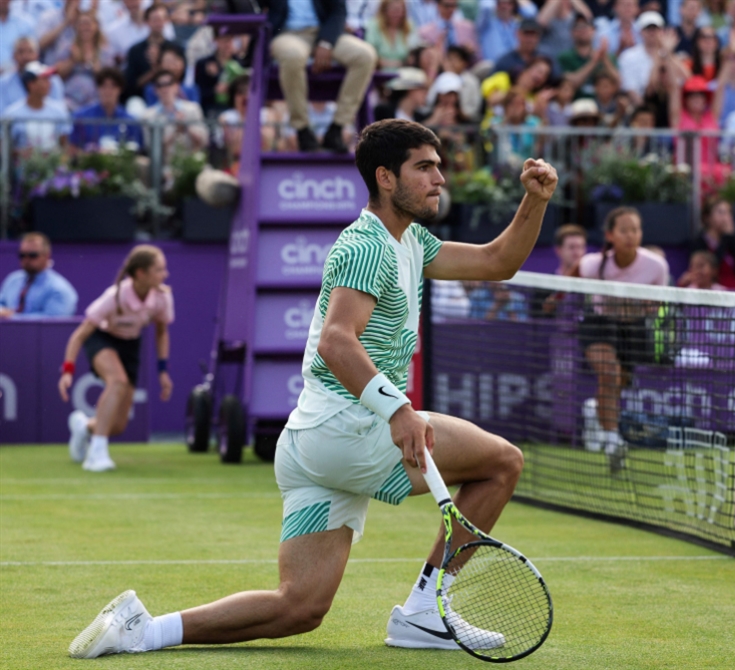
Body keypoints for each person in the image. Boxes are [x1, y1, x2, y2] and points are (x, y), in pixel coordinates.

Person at [67, 118, 559, 659]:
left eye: (438, 166)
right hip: (352, 429)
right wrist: (397, 410)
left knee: (298, 607)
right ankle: (424, 610)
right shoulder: (367, 245)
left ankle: (144, 630)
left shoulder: (412, 240)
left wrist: (534, 201)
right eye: (424, 167)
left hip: (309, 445)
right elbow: (336, 341)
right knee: (503, 462)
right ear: (386, 178)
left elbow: (498, 261)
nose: (439, 178)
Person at [58, 245, 174, 473]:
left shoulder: (162, 297)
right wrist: (68, 371)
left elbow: (161, 332)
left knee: (118, 425)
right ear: (141, 273)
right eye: (159, 270)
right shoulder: (115, 296)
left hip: (130, 345)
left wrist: (163, 371)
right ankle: (96, 455)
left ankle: (84, 427)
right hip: (102, 339)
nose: (165, 274)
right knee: (117, 380)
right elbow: (79, 335)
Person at [574, 206, 669, 473]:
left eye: (635, 230)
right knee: (610, 374)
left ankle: (598, 414)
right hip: (600, 324)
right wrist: (553, 298)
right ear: (611, 235)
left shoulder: (656, 266)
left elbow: (660, 303)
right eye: (624, 230)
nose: (631, 235)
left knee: (618, 384)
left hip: (634, 329)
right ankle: (613, 442)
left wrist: (652, 305)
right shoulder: (593, 264)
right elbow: (573, 273)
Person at [268, 0, 378, 153]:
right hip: (287, 34)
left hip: (326, 32)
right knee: (293, 56)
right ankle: (302, 130)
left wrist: (326, 42)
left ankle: (337, 128)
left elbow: (338, 11)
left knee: (365, 56)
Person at [0, 232, 78, 319]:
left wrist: (12, 317)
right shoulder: (12, 280)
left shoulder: (59, 289)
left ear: (47, 256)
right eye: (22, 255)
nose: (26, 259)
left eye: (33, 255)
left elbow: (53, 323)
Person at [50, 10, 116, 112]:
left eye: (88, 24)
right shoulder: (68, 47)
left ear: (96, 26)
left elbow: (110, 79)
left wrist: (95, 67)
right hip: (70, 99)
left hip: (96, 100)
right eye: (81, 24)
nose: (85, 27)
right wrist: (73, 61)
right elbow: (57, 74)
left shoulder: (105, 51)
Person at [1, 61, 72, 155]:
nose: (49, 84)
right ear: (31, 84)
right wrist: (21, 154)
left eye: (48, 79)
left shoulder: (60, 111)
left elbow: (65, 146)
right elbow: (4, 147)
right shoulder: (11, 114)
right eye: (44, 79)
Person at [679, 197, 735, 289]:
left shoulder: (734, 240)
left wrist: (731, 238)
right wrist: (726, 239)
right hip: (712, 291)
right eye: (721, 212)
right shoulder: (699, 242)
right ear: (707, 217)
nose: (726, 217)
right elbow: (712, 266)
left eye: (729, 213)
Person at [70, 67, 143, 150]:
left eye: (113, 86)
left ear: (120, 89)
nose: (108, 91)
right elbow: (72, 149)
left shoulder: (131, 122)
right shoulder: (82, 117)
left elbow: (138, 152)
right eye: (104, 86)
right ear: (97, 88)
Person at [141, 70, 208, 159]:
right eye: (160, 85)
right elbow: (151, 148)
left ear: (177, 86)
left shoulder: (193, 109)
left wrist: (186, 126)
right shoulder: (148, 116)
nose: (165, 89)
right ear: (155, 90)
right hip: (162, 166)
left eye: (169, 84)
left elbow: (204, 142)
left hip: (192, 163)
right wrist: (175, 131)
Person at [0, 36, 66, 113]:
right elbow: (2, 117)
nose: (26, 57)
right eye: (21, 52)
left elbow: (60, 115)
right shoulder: (3, 83)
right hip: (15, 124)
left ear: (37, 54)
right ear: (13, 56)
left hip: (48, 123)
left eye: (30, 51)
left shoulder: (53, 80)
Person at [365, 0, 417, 71]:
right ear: (384, 10)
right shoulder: (374, 25)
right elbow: (369, 53)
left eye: (399, 10)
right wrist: (393, 63)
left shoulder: (409, 26)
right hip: (379, 72)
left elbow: (412, 55)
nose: (396, 14)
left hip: (403, 72)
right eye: (393, 10)